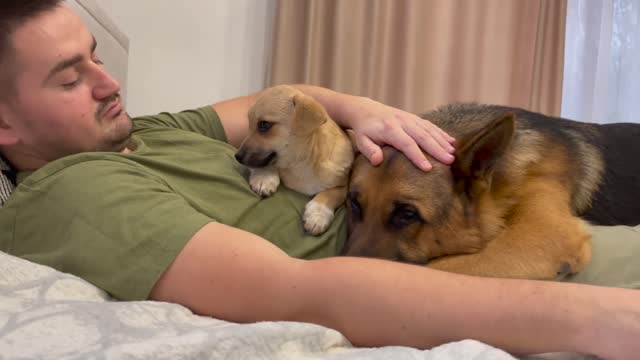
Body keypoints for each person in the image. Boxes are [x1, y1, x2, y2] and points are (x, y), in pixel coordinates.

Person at [0, 1, 638, 359]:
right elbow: (293, 293)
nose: (110, 83)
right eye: (69, 76)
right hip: (434, 282)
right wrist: (598, 319)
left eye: (97, 56)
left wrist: (370, 114)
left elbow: (289, 97)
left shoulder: (151, 130)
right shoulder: (74, 192)